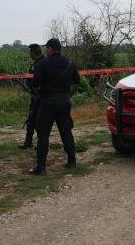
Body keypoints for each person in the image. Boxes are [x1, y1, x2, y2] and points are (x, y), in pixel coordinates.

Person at [29, 38, 81, 176]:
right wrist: (66, 91)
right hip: (64, 101)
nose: (46, 50)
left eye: (47, 48)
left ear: (50, 49)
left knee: (43, 135)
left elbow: (35, 83)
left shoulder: (43, 64)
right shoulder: (69, 63)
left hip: (47, 102)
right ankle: (72, 161)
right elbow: (77, 81)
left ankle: (41, 168)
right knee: (66, 132)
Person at [18, 44, 45, 149]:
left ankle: (40, 143)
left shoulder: (42, 64)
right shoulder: (36, 64)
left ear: (34, 52)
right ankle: (28, 142)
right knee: (31, 120)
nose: (29, 54)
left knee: (38, 121)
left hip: (41, 97)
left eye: (30, 52)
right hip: (34, 97)